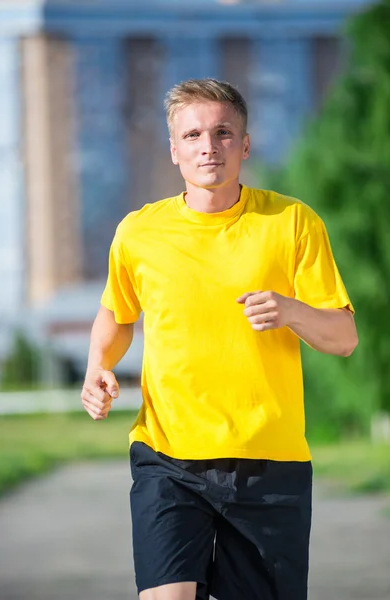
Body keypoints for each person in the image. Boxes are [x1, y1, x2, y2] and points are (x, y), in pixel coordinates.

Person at [81, 78, 358, 600]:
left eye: (223, 132)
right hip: (168, 457)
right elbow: (116, 314)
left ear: (245, 144)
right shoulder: (138, 233)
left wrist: (292, 310)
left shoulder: (292, 222)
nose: (208, 146)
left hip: (269, 464)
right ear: (174, 149)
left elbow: (343, 338)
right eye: (193, 135)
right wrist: (99, 364)